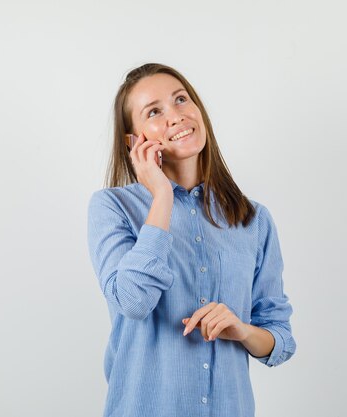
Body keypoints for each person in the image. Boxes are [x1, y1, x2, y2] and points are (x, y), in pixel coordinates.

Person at [86, 62, 296, 417]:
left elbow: (280, 340)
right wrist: (162, 197)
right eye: (154, 111)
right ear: (132, 140)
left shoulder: (254, 220)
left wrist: (241, 330)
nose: (176, 116)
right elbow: (133, 301)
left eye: (181, 99)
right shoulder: (112, 208)